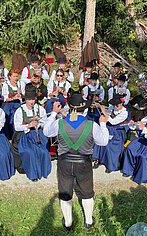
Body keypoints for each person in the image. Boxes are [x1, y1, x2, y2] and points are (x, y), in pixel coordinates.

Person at [43, 94, 109, 231]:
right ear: (83, 109)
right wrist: (103, 123)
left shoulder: (60, 122)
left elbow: (46, 132)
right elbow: (104, 141)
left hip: (64, 164)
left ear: (69, 108)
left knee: (65, 193)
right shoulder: (92, 125)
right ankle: (89, 222)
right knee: (87, 193)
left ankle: (68, 223)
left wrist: (54, 113)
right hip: (84, 163)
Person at [13, 88, 50, 181]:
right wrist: (28, 125)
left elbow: (45, 123)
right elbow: (17, 127)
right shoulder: (20, 110)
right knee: (30, 152)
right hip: (24, 135)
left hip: (38, 134)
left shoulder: (40, 109)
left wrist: (39, 123)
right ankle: (33, 174)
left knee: (43, 152)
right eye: (29, 99)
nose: (31, 101)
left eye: (33, 99)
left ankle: (42, 171)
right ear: (26, 99)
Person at [93, 95, 129, 173]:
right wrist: (101, 108)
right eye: (114, 105)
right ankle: (98, 159)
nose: (115, 106)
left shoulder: (124, 113)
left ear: (122, 103)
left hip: (117, 131)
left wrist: (104, 112)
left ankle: (110, 165)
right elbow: (107, 115)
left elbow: (113, 121)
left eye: (117, 105)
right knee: (100, 139)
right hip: (108, 127)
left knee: (109, 145)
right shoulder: (112, 108)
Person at [1, 69, 25, 140]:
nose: (16, 78)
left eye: (17, 76)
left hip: (17, 104)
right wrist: (13, 97)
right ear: (10, 77)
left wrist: (21, 94)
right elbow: (4, 98)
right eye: (14, 76)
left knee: (17, 118)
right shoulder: (6, 85)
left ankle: (16, 137)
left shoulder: (20, 84)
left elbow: (23, 97)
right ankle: (8, 137)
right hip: (8, 104)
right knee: (7, 118)